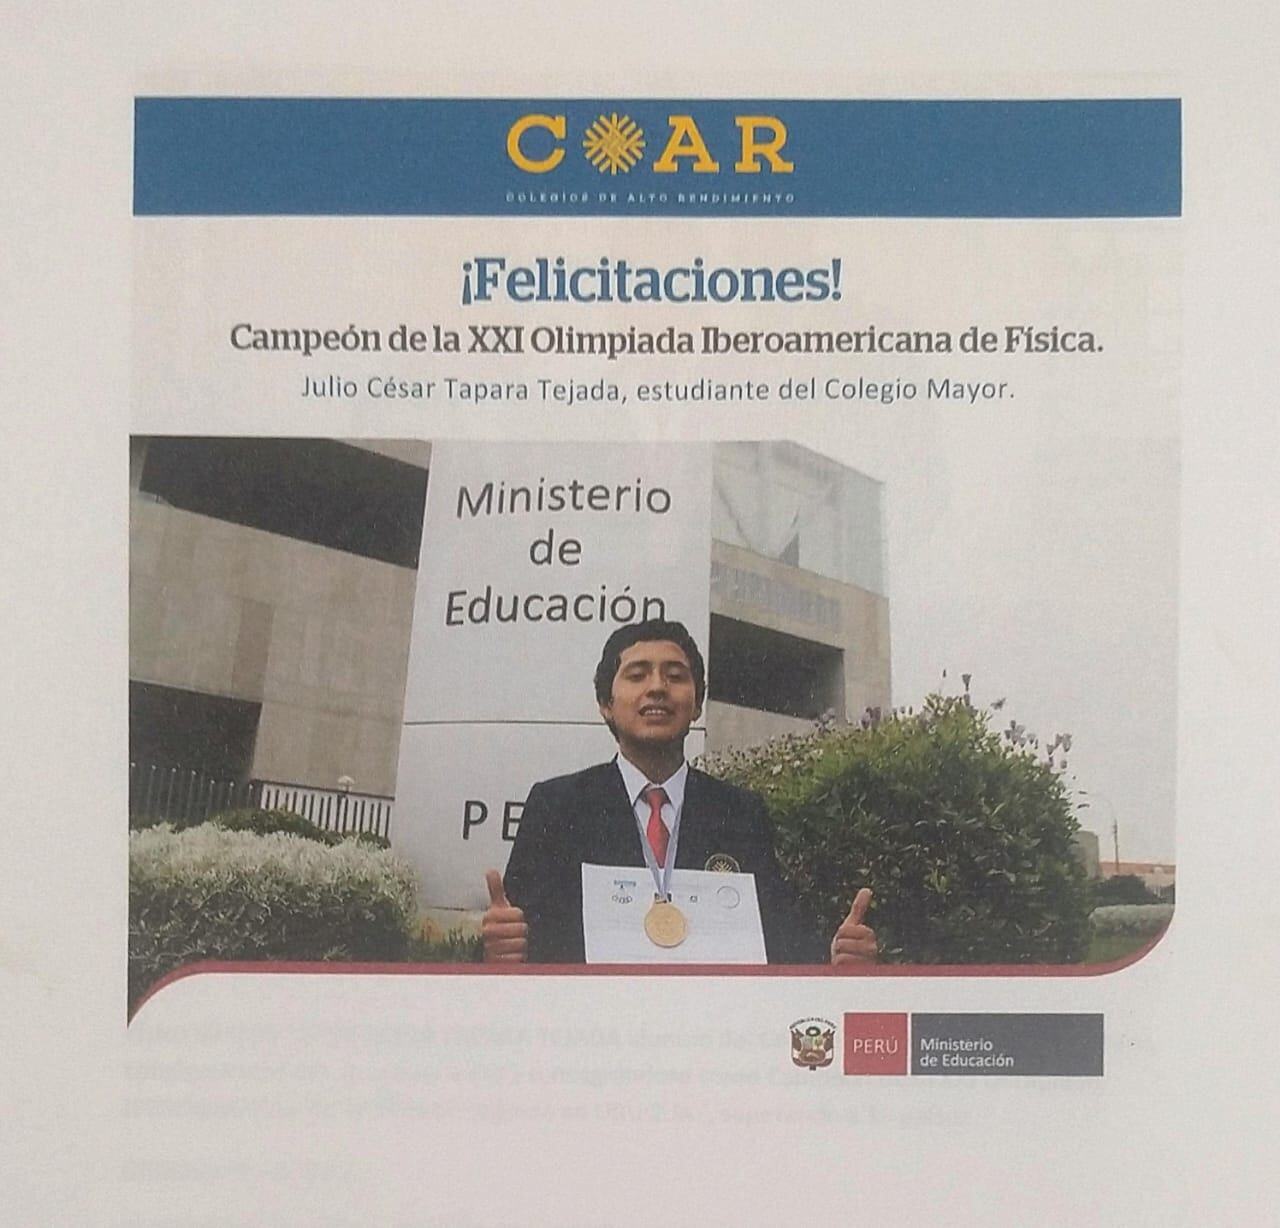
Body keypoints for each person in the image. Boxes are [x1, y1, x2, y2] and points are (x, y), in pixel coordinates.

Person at [481, 618, 878, 966]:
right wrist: (501, 951)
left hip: (708, 1036)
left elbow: (776, 940)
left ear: (697, 705)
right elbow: (517, 944)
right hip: (595, 1035)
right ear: (606, 703)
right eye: (637, 675)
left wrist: (834, 958)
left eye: (675, 675)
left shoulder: (741, 813)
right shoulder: (557, 806)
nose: (657, 687)